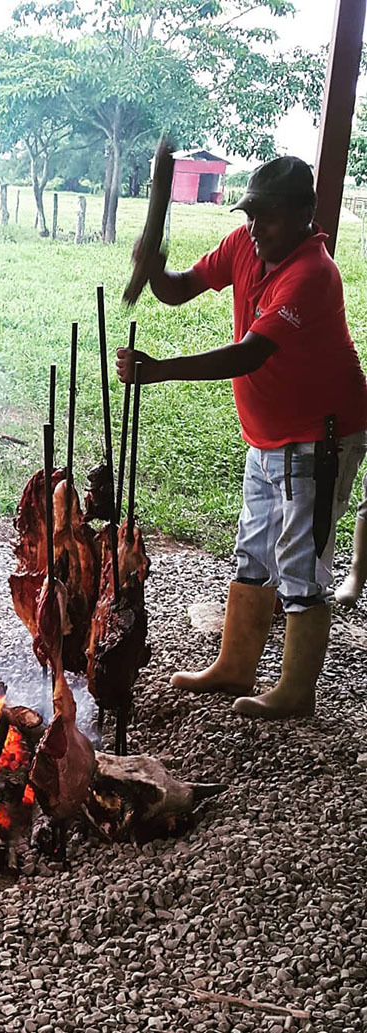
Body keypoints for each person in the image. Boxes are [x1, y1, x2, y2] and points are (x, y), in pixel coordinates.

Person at [117, 155, 367, 720]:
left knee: (301, 560)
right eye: (251, 215)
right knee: (254, 551)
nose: (256, 228)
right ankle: (235, 665)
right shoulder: (244, 245)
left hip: (321, 436)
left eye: (269, 217)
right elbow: (177, 289)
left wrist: (160, 370)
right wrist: (153, 269)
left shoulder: (312, 274)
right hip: (269, 434)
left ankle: (296, 691)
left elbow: (251, 353)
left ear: (305, 214)